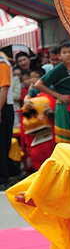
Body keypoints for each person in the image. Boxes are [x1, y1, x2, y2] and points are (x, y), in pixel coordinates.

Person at [34, 41, 70, 144]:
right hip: (63, 106)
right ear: (59, 56)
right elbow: (38, 84)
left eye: (69, 52)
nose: (67, 54)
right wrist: (58, 96)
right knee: (65, 139)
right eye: (64, 52)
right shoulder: (57, 69)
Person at [0, 51, 16, 189]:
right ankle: (15, 171)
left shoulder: (2, 63)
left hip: (3, 107)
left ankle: (4, 179)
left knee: (1, 144)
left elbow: (4, 88)